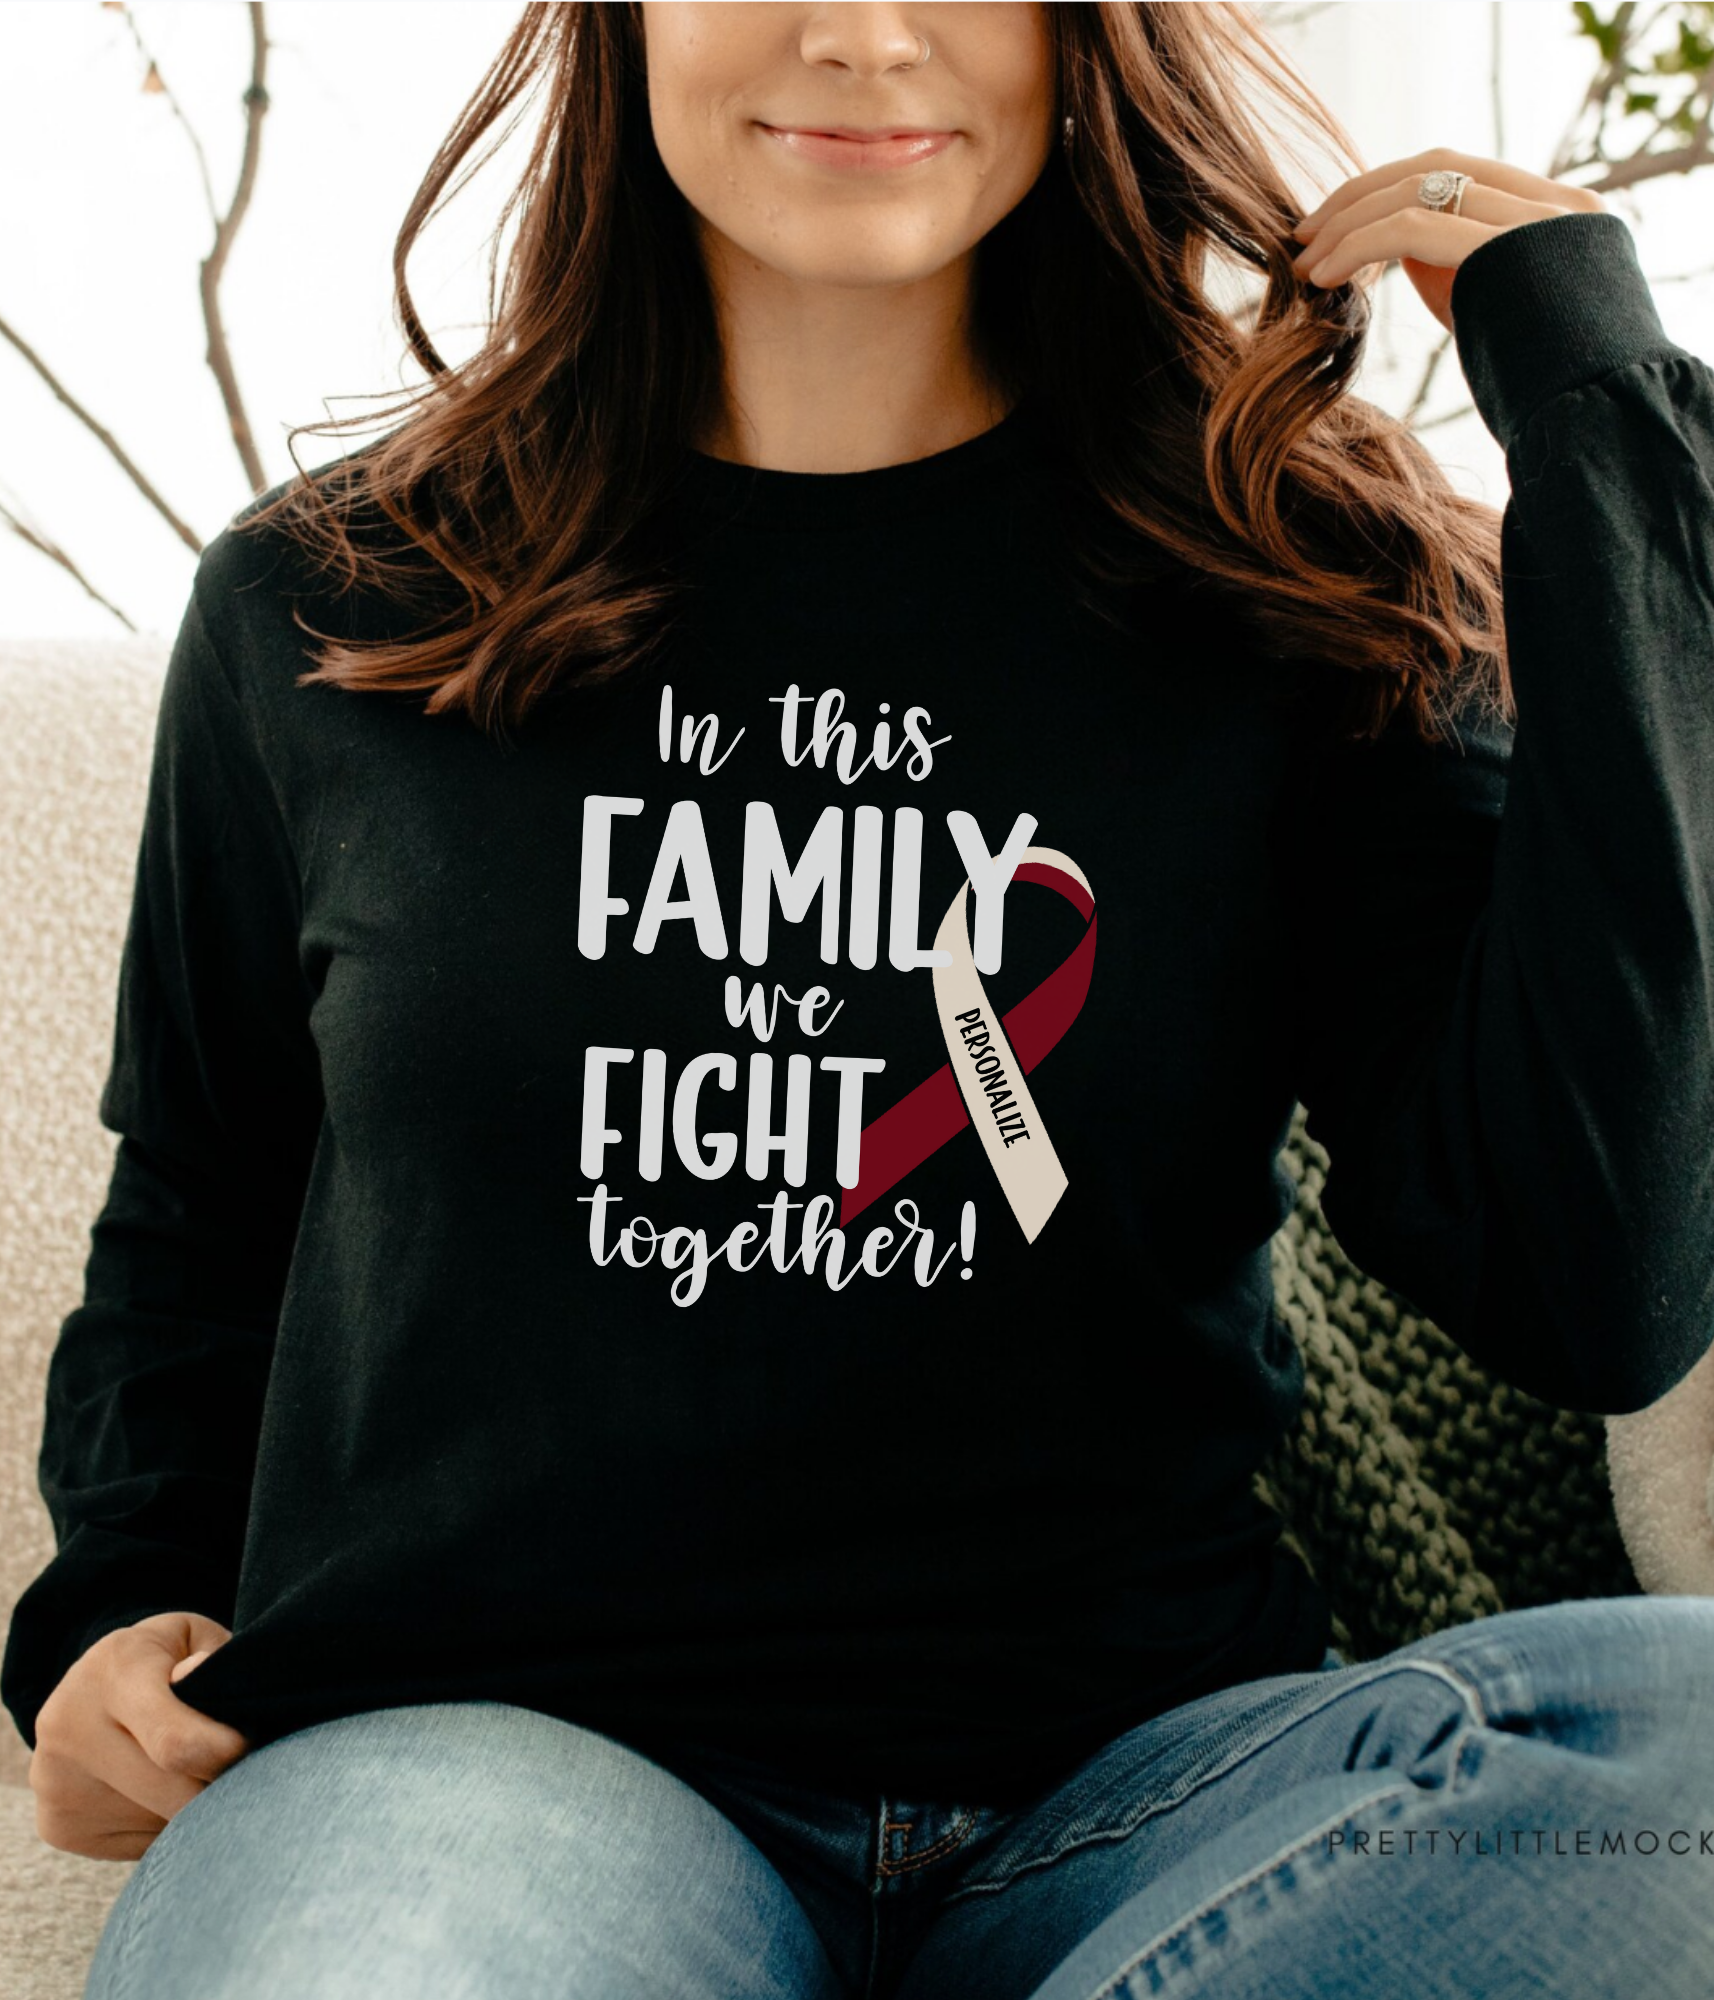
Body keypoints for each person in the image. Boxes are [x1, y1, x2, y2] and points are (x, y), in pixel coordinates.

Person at [6, 3, 1714, 1995]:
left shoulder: (1289, 597)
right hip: (497, 1775)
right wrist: (106, 1609)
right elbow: (205, 1208)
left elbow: (1600, 1269)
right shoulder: (341, 604)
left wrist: (1598, 409)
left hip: (1150, 1813)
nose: (858, 33)